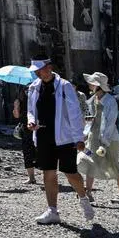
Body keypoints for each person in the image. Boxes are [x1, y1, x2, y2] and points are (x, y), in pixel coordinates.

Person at [26, 59, 95, 224]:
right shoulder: (33, 87)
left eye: (40, 70)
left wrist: (79, 138)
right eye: (35, 71)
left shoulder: (65, 86)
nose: (37, 73)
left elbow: (75, 113)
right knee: (48, 173)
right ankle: (53, 210)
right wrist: (31, 120)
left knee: (70, 173)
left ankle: (84, 198)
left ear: (49, 68)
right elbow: (31, 110)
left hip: (65, 137)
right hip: (43, 135)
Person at [79, 73, 119, 204]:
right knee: (89, 161)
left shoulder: (110, 101)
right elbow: (90, 119)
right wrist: (85, 133)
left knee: (113, 164)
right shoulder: (93, 99)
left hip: (109, 139)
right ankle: (88, 193)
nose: (89, 84)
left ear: (98, 86)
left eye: (92, 83)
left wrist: (104, 142)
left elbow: (111, 122)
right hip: (93, 136)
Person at [13, 86, 36, 184]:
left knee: (39, 151)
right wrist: (16, 107)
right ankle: (31, 177)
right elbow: (17, 116)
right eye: (26, 89)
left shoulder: (38, 97)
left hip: (37, 127)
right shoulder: (20, 100)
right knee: (27, 152)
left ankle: (44, 176)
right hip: (26, 129)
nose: (28, 91)